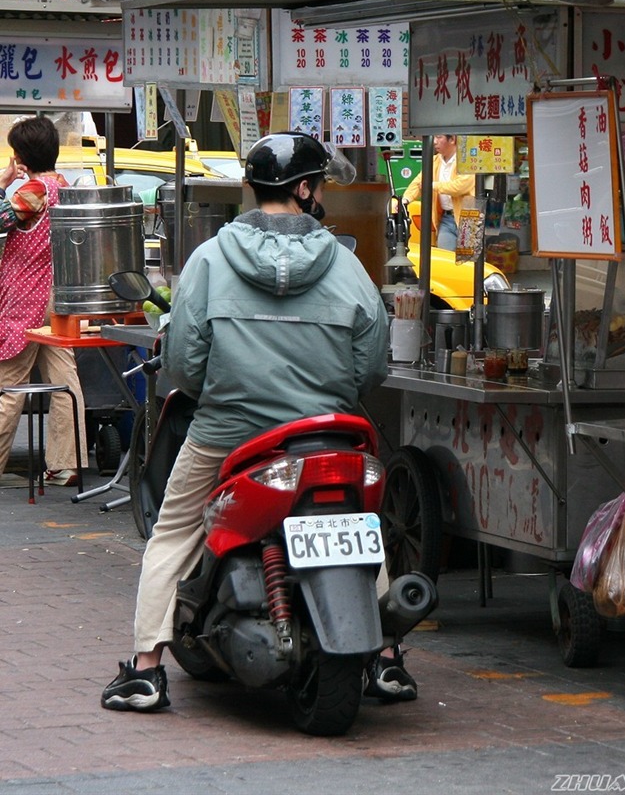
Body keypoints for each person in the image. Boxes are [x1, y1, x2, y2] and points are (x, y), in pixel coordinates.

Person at [101, 132, 409, 712]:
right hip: (326, 433)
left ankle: (145, 670)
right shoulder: (347, 266)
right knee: (360, 523)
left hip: (228, 431)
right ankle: (388, 661)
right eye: (318, 185)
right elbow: (371, 367)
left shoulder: (210, 260)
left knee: (173, 530)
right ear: (304, 189)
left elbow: (185, 365)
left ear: (251, 187)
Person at [0, 115, 87, 486]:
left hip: (24, 299)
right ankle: (67, 463)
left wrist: (3, 183)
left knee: (7, 386)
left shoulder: (33, 190)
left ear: (21, 156)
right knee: (65, 382)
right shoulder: (64, 186)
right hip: (58, 299)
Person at [402, 134, 474, 252]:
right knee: (446, 258)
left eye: (439, 137)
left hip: (468, 217)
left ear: (452, 139)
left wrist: (432, 185)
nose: (435, 141)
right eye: (434, 137)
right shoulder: (435, 161)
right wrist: (406, 199)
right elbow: (419, 181)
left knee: (468, 262)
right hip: (445, 218)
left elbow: (460, 186)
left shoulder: (467, 160)